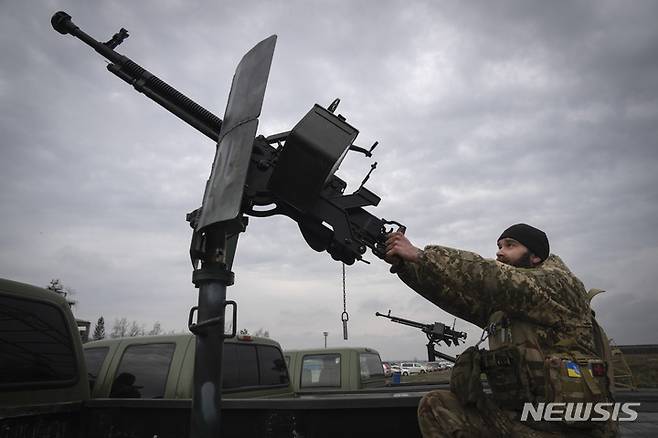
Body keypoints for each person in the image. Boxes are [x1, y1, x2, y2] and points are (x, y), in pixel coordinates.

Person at [385, 223, 616, 438]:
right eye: (498, 246)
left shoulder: (558, 284)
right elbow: (454, 294)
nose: (499, 252)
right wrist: (407, 266)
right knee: (436, 406)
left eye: (510, 245)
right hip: (522, 420)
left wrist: (422, 255)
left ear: (535, 256)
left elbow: (491, 276)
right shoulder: (508, 306)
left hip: (570, 429)